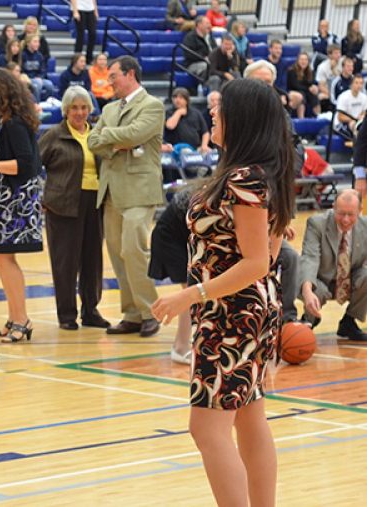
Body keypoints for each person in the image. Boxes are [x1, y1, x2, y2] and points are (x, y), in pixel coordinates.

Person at [151, 77, 296, 507]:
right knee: (249, 418)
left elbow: (257, 261)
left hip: (232, 313)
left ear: (242, 118)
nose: (212, 112)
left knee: (207, 429)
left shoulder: (244, 179)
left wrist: (190, 294)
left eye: (221, 107)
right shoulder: (258, 174)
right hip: (250, 308)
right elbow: (268, 253)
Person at [88, 55, 164, 338]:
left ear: (130, 74)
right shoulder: (109, 108)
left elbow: (135, 134)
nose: (110, 82)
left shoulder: (152, 105)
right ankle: (132, 315)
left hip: (139, 190)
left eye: (113, 76)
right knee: (118, 256)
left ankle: (150, 312)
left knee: (134, 250)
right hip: (111, 191)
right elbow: (93, 142)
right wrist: (115, 144)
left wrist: (111, 135)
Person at [0, 69, 43, 343]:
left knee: (6, 257)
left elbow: (27, 163)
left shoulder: (15, 123)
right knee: (3, 258)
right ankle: (15, 316)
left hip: (18, 200)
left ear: (0, 93)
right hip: (7, 198)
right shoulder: (8, 120)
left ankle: (22, 318)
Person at [39, 86, 110, 332]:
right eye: (74, 108)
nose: (80, 113)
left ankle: (91, 311)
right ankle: (67, 314)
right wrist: (44, 195)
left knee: (93, 260)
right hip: (62, 205)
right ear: (65, 110)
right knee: (65, 262)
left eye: (84, 108)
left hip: (94, 203)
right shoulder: (53, 135)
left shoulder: (97, 134)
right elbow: (34, 165)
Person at [299, 189, 367, 341]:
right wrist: (307, 292)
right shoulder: (317, 223)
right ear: (333, 206)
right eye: (341, 213)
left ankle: (349, 323)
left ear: (360, 210)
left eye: (351, 214)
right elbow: (310, 258)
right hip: (319, 279)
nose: (345, 220)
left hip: (349, 279)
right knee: (317, 290)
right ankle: (309, 321)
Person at [148, 187, 194, 364]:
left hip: (182, 236)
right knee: (190, 290)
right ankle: (181, 347)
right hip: (170, 238)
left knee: (193, 290)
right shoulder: (218, 193)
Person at [164, 87, 211, 155]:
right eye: (175, 97)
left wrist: (204, 145)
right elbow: (170, 126)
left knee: (212, 154)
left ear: (186, 100)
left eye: (181, 98)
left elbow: (205, 132)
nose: (177, 100)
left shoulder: (196, 113)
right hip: (176, 149)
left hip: (196, 148)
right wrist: (179, 112)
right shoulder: (168, 112)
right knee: (187, 151)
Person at [182, 17, 216, 84]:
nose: (209, 25)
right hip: (194, 64)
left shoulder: (210, 37)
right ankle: (204, 86)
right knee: (207, 66)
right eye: (207, 23)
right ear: (199, 25)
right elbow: (190, 54)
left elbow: (215, 48)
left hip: (210, 62)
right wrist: (203, 58)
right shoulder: (190, 37)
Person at [287, 52, 321, 118]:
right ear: (298, 61)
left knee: (314, 95)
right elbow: (295, 85)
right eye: (302, 60)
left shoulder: (310, 72)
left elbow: (311, 84)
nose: (304, 62)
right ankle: (301, 118)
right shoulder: (292, 71)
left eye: (305, 60)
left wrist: (314, 88)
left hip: (306, 91)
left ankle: (318, 116)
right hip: (294, 91)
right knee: (302, 95)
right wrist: (309, 88)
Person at [333, 73, 366, 140]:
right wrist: (355, 119)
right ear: (351, 84)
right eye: (356, 83)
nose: (359, 85)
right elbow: (341, 117)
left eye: (361, 83)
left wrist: (360, 118)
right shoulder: (343, 97)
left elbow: (364, 112)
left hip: (357, 121)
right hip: (342, 124)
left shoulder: (364, 97)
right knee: (355, 127)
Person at [21, 34, 53, 100]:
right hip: (27, 78)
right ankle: (36, 104)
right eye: (35, 41)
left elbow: (43, 70)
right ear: (28, 43)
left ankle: (47, 102)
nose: (38, 44)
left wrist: (40, 77)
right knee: (38, 85)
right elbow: (21, 71)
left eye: (38, 42)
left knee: (50, 85)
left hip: (38, 78)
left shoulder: (39, 55)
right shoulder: (22, 55)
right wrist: (33, 78)